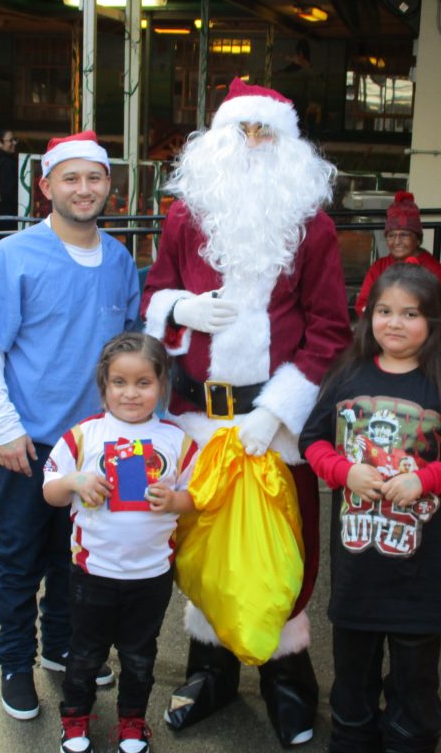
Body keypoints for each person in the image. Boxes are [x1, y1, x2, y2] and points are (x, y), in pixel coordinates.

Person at [141, 77, 352, 747]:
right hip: (200, 422)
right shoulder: (184, 219)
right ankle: (210, 676)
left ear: (290, 144)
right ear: (219, 139)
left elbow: (329, 330)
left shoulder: (312, 228)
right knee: (199, 549)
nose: (255, 143)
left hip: (274, 431)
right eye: (244, 130)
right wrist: (179, 309)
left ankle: (288, 684)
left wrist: (276, 411)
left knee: (285, 556)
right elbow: (152, 297)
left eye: (267, 131)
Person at [0, 130, 140, 723]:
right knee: (19, 556)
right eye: (71, 178)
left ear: (110, 186)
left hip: (93, 445)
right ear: (46, 187)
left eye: (94, 178)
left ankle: (62, 647)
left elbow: (131, 355)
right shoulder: (11, 256)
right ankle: (16, 661)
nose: (83, 189)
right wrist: (7, 427)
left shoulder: (119, 261)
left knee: (77, 556)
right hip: (28, 443)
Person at [299, 262, 441, 753]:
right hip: (358, 565)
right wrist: (344, 471)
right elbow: (313, 441)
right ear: (367, 316)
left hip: (422, 569)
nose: (394, 323)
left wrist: (426, 479)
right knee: (353, 663)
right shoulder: (347, 374)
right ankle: (352, 734)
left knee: (414, 668)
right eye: (383, 311)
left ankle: (411, 735)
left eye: (410, 314)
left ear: (433, 322)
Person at [43, 332, 199, 753]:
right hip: (93, 574)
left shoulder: (177, 440)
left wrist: (174, 500)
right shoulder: (84, 435)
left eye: (143, 383)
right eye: (120, 382)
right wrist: (75, 481)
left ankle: (132, 722)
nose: (131, 393)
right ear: (104, 385)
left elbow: (194, 498)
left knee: (139, 658)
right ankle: (75, 721)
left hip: (151, 576)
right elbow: (50, 489)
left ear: (162, 384)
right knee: (84, 656)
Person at [354, 191, 441, 316]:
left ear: (417, 239)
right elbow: (362, 304)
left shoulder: (435, 271)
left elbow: (435, 313)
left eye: (404, 235)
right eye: (391, 236)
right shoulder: (378, 267)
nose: (397, 242)